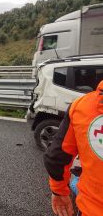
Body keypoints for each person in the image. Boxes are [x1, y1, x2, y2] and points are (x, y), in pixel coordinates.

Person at [44, 80, 103, 216]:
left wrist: (59, 191)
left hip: (90, 209)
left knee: (76, 180)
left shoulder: (81, 106)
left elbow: (56, 157)